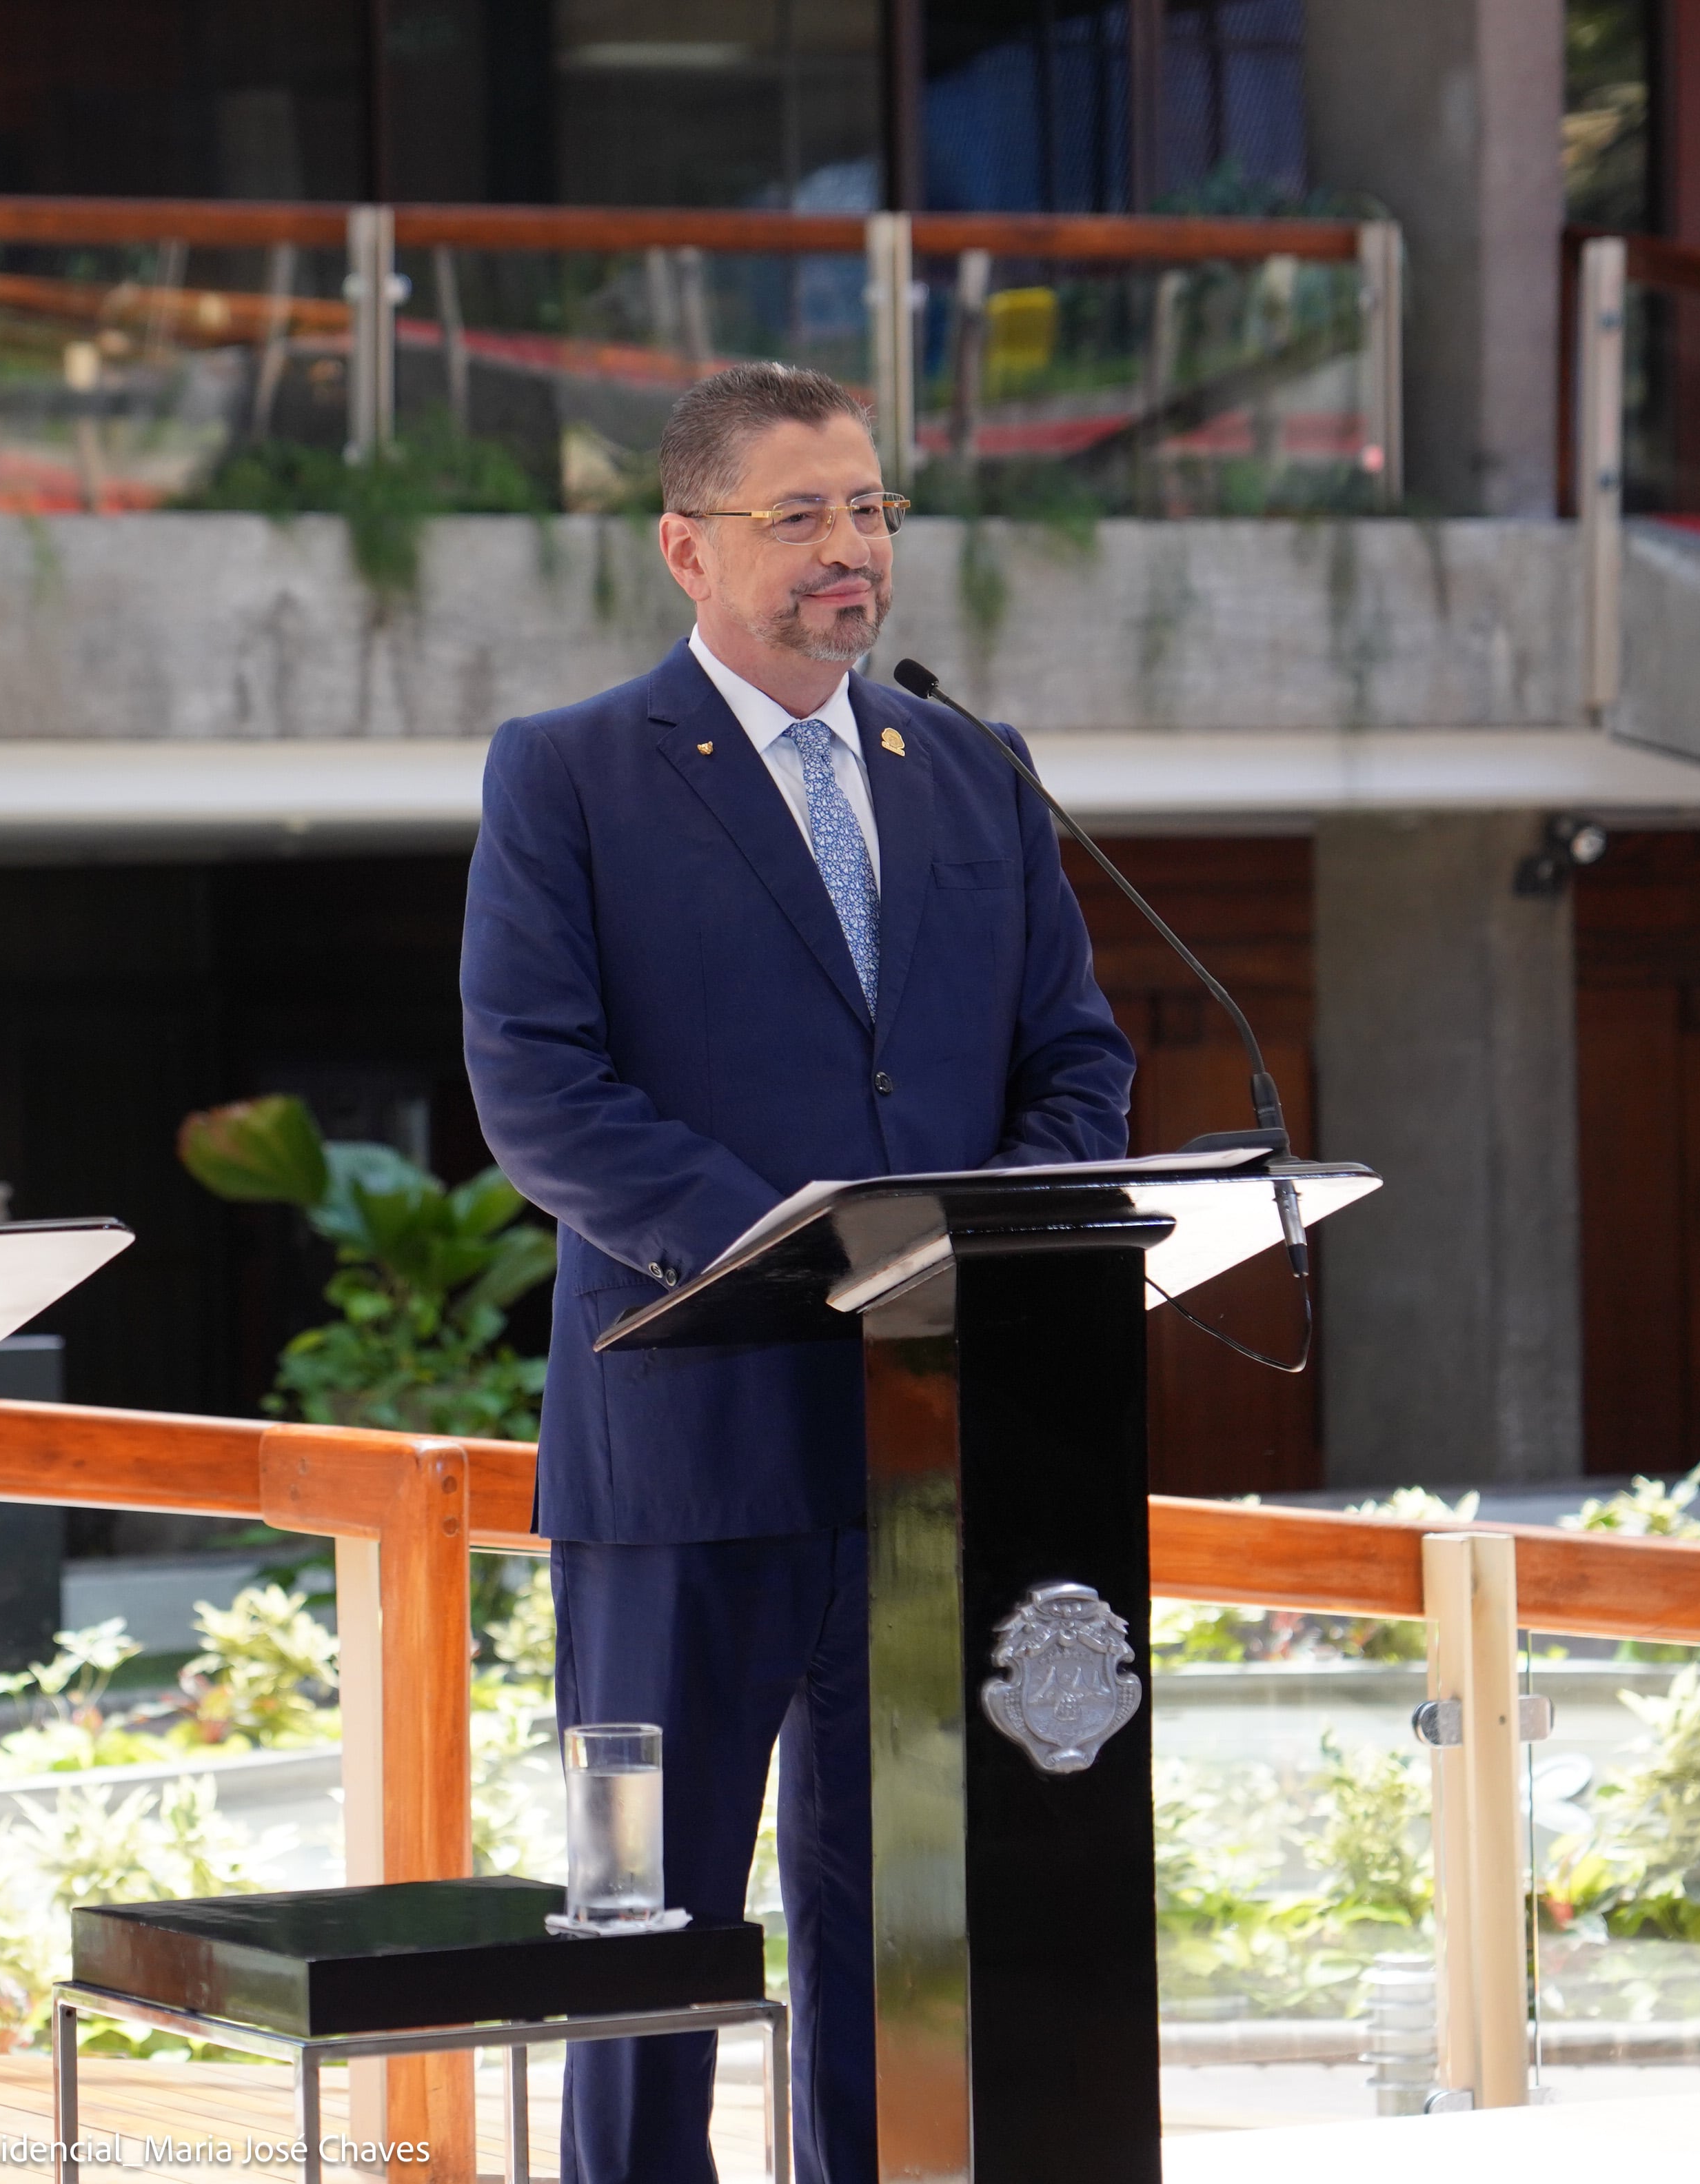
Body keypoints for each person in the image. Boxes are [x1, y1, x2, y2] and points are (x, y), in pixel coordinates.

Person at [458, 363, 1135, 2181]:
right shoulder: (570, 775)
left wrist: (972, 1245)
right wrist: (804, 1256)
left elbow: (1078, 1064)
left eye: (871, 510)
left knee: (902, 1931)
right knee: (642, 1936)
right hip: (677, 1461)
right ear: (686, 548)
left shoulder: (971, 770)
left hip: (929, 1466)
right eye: (801, 515)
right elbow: (540, 1090)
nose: (852, 550)